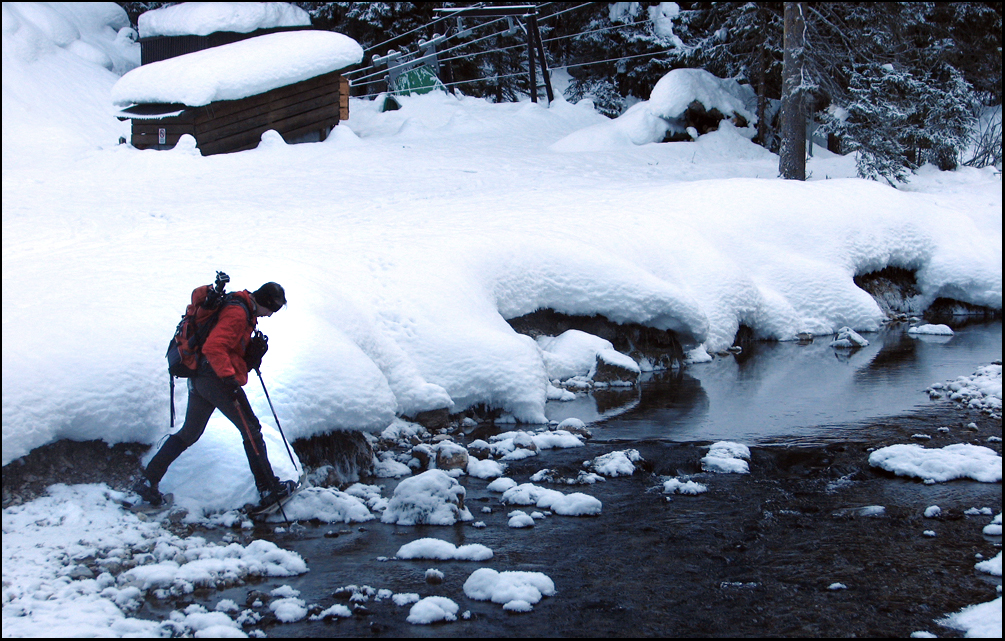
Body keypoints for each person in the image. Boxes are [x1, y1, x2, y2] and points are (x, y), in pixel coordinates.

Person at [133, 281, 296, 509]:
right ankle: (269, 489)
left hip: (200, 377)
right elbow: (214, 347)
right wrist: (229, 378)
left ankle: (148, 481)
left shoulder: (241, 307)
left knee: (190, 432)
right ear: (265, 302)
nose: (270, 315)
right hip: (215, 378)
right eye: (272, 310)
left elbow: (227, 345)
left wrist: (248, 357)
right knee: (251, 429)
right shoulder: (238, 313)